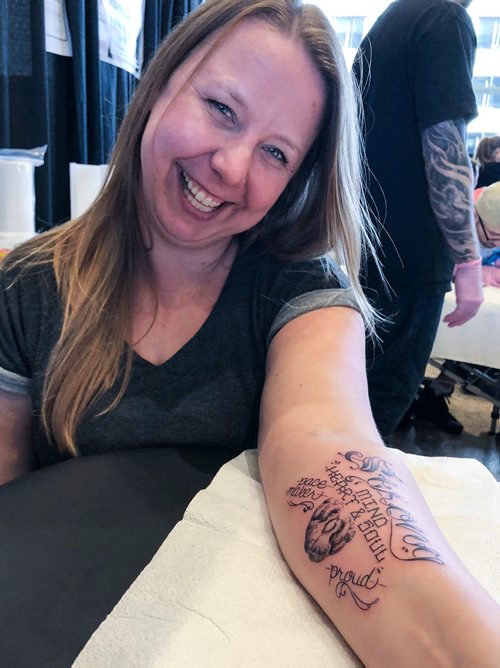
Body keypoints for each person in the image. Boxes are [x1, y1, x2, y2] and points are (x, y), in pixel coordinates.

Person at [0, 1, 499, 664]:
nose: (231, 167)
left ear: (298, 179)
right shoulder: (28, 286)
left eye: (274, 152)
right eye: (221, 108)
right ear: (161, 83)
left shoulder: (303, 289)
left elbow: (329, 451)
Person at [352, 0, 484, 441]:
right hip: (409, 258)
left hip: (367, 244)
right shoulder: (444, 18)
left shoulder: (396, 17)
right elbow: (445, 153)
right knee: (374, 414)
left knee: (348, 405)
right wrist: (468, 263)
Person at [412, 181, 500, 434]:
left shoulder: (491, 217)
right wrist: (479, 272)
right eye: (493, 237)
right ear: (475, 216)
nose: (495, 244)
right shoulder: (451, 219)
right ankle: (421, 397)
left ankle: (436, 393)